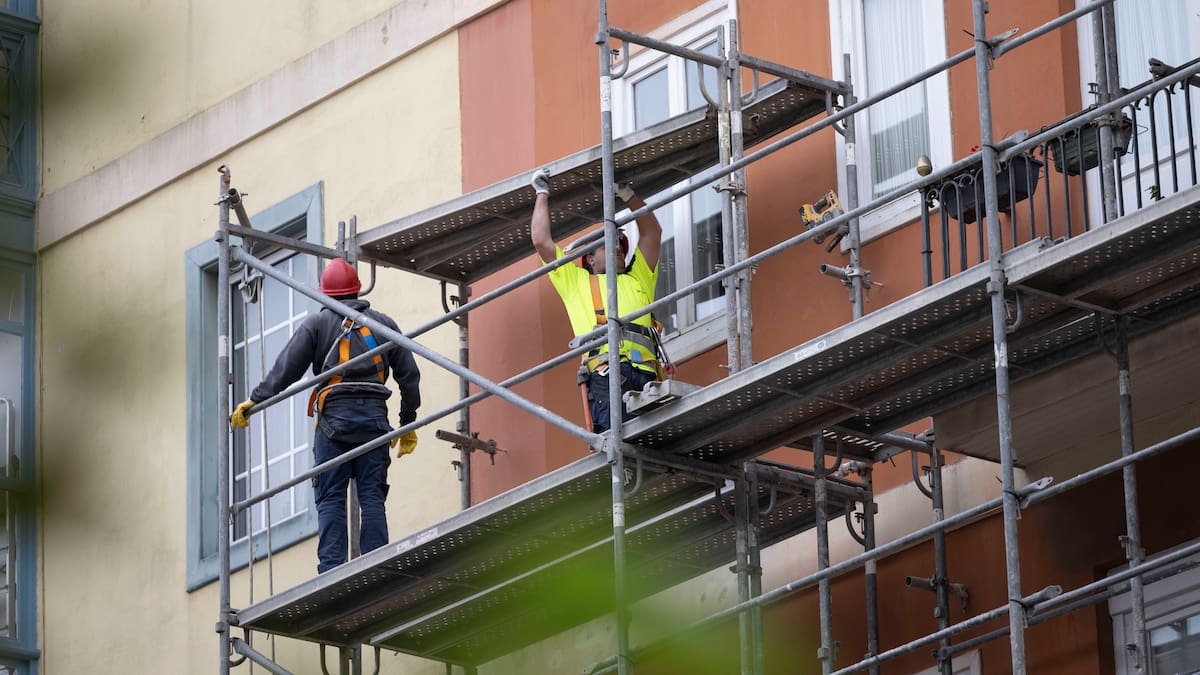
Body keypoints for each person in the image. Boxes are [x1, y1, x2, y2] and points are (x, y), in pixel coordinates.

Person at [230, 258, 421, 574]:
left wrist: (255, 400)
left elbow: (287, 368)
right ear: (358, 290)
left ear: (325, 294)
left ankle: (332, 571)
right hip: (375, 422)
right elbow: (409, 374)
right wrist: (408, 420)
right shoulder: (382, 324)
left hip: (334, 423)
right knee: (372, 495)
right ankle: (377, 565)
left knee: (331, 497)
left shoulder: (317, 325)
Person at [529, 167, 664, 433]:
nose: (617, 247)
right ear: (590, 258)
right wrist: (542, 193)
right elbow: (541, 241)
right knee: (621, 441)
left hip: (647, 375)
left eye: (620, 244)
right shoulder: (576, 282)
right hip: (607, 375)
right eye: (607, 244)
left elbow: (652, 233)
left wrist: (627, 194)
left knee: (653, 442)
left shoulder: (638, 277)